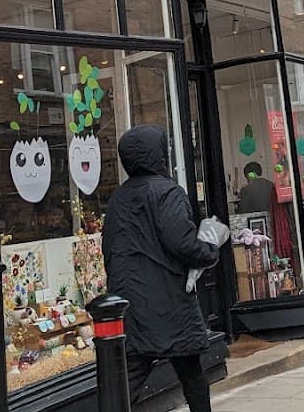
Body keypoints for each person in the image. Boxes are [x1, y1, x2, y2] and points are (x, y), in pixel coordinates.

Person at [103, 125, 220, 411]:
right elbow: (181, 242)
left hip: (128, 300)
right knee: (190, 370)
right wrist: (210, 250)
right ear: (159, 155)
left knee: (127, 380)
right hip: (168, 299)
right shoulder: (167, 191)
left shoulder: (118, 199)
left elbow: (109, 248)